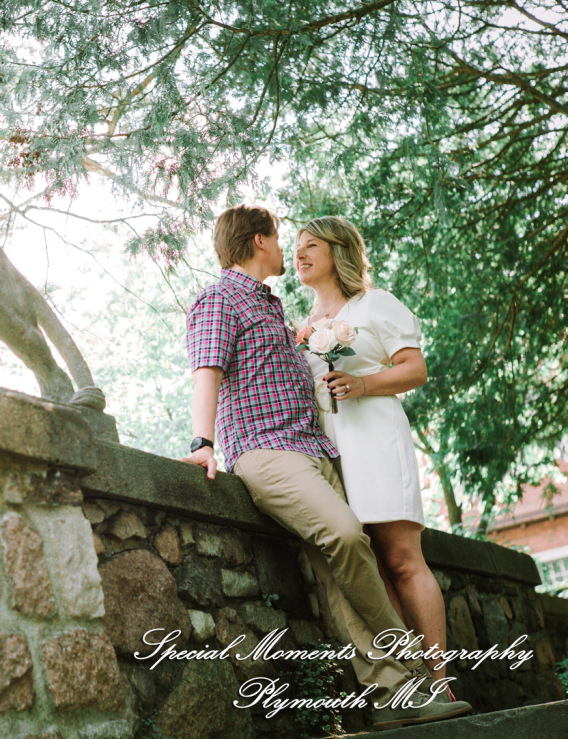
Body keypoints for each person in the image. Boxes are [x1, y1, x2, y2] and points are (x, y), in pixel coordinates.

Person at [180, 204, 471, 730]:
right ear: (260, 240)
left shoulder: (272, 307)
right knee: (346, 535)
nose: (291, 248)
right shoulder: (219, 298)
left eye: (309, 244)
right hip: (267, 451)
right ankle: (414, 674)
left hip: (317, 449)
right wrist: (203, 442)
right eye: (282, 238)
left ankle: (391, 697)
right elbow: (206, 370)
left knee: (338, 579)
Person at [294, 215, 449, 681]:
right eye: (296, 246)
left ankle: (440, 682)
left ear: (338, 251)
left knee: (402, 560)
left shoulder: (373, 304)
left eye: (311, 245)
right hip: (331, 450)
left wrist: (362, 383)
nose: (299, 254)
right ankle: (409, 683)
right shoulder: (303, 326)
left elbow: (415, 369)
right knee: (373, 572)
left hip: (376, 441)